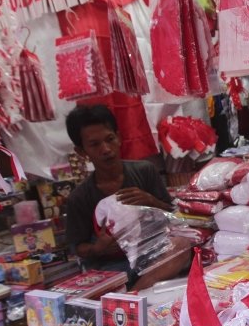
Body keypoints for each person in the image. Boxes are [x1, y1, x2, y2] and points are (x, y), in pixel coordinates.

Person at [65, 105, 189, 291]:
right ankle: (136, 292)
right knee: (97, 285)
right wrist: (98, 248)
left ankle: (133, 294)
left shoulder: (145, 171)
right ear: (82, 152)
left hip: (153, 254)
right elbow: (77, 247)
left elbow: (174, 216)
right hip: (111, 266)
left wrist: (151, 201)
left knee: (183, 244)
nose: (106, 149)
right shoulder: (79, 197)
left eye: (110, 139)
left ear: (119, 137)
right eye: (95, 144)